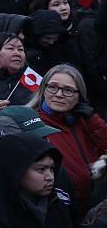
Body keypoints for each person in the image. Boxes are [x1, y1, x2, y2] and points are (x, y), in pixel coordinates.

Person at [29, 64, 107, 214]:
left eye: (68, 90)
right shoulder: (33, 124)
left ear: (80, 96)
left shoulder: (87, 121)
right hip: (58, 209)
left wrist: (93, 120)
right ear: (43, 90)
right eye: (52, 87)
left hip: (92, 205)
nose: (58, 94)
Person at [0, 133, 71, 228]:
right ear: (18, 171)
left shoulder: (56, 203)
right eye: (41, 169)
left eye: (52, 168)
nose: (50, 177)